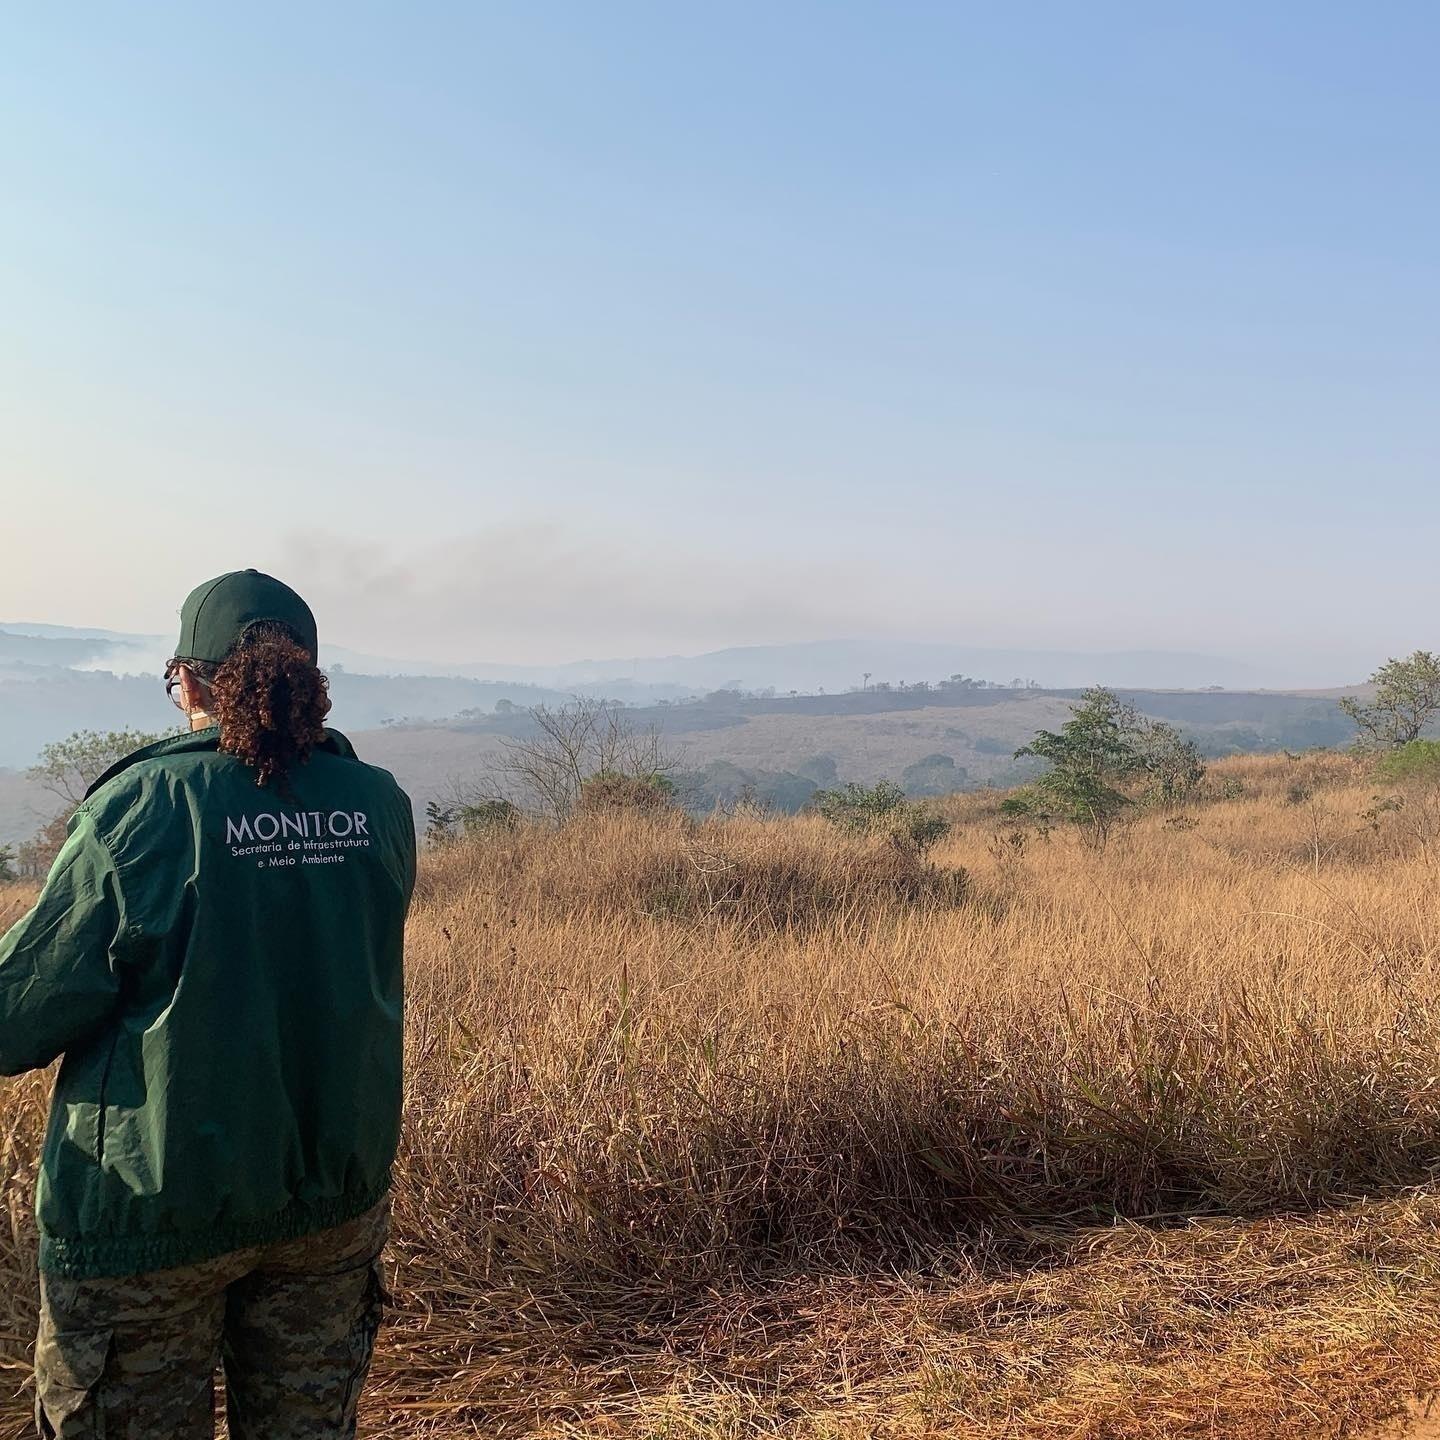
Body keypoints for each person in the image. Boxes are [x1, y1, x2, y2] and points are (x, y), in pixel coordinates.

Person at [0, 570, 416, 1438]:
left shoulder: (140, 807)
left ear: (186, 680)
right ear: (309, 676)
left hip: (154, 1214)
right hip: (329, 1199)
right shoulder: (380, 805)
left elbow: (22, 1009)